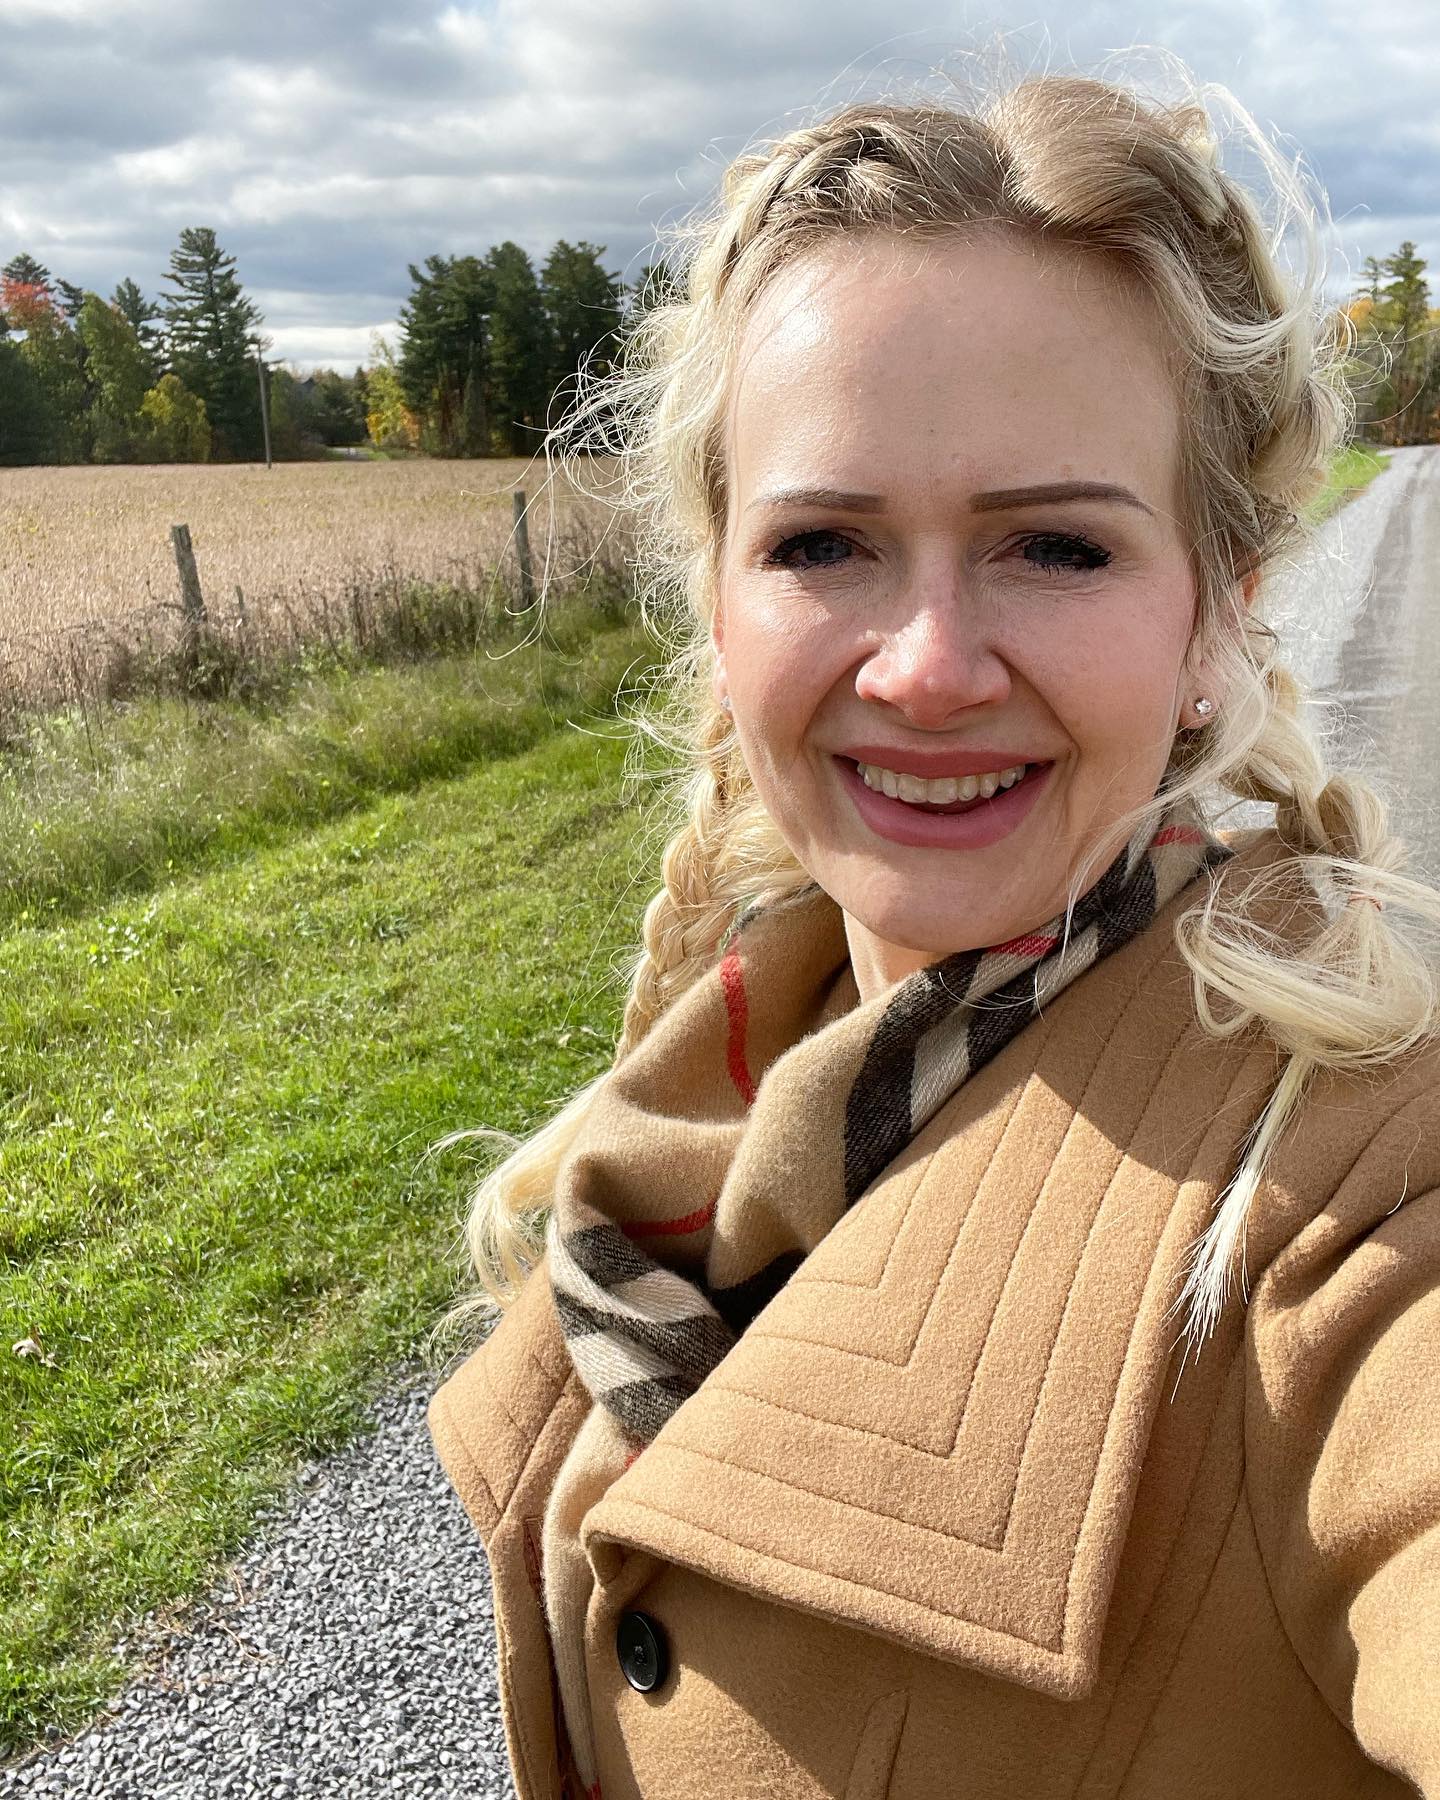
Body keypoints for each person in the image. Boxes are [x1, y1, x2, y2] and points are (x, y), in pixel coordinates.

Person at [425, 54, 1440, 1800]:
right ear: (716, 593)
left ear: (1223, 608)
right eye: (826, 544)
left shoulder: (1353, 1205)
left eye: (1052, 547)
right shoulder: (718, 1071)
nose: (928, 669)